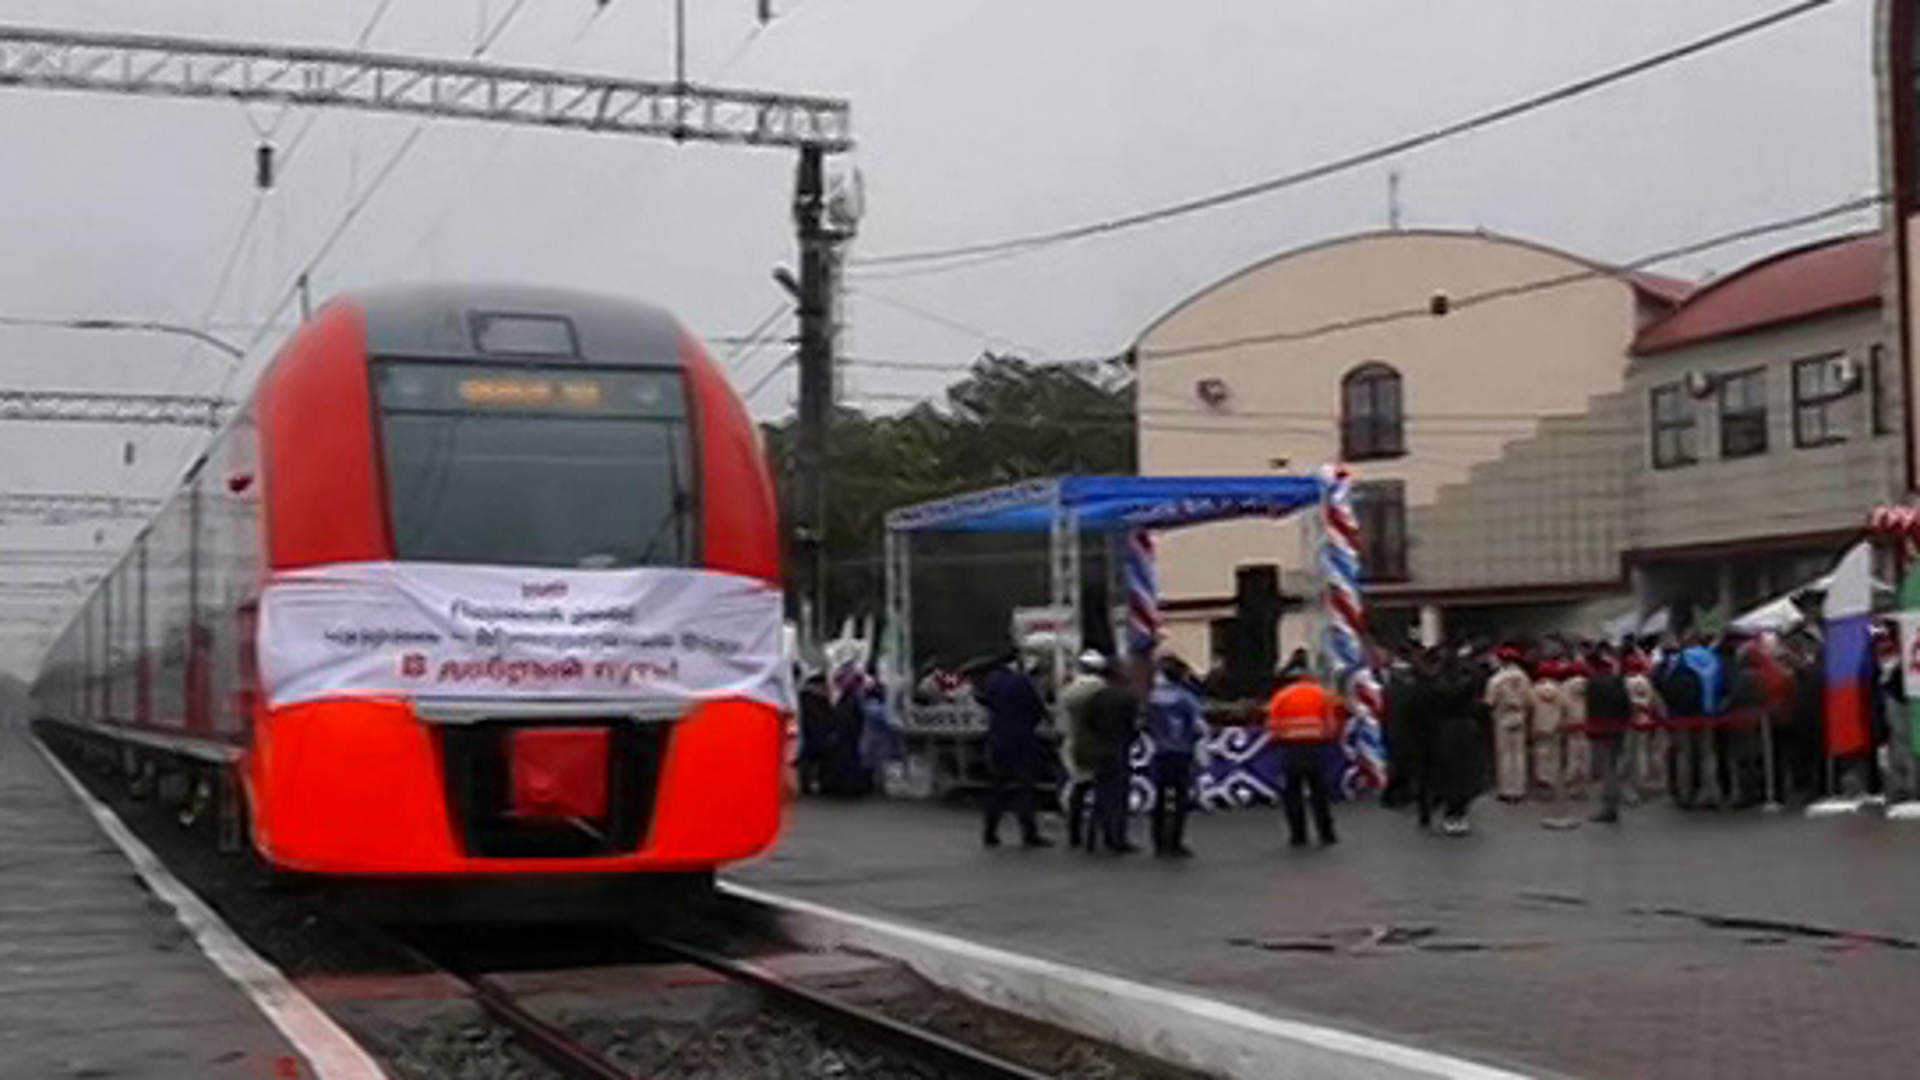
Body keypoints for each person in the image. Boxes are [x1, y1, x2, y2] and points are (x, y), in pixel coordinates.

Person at [978, 653, 1051, 848]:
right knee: (1025, 786)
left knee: (997, 787)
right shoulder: (1023, 682)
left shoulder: (992, 682)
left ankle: (990, 832)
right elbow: (1037, 709)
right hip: (1021, 740)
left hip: (997, 739)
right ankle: (1029, 833)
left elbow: (985, 702)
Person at [1266, 665, 1341, 847]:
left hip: (1290, 749)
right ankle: (1326, 833)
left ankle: (1298, 835)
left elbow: (1273, 727)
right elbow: (1331, 725)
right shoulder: (1321, 694)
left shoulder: (1280, 697)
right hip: (1315, 747)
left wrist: (1279, 741)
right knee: (1319, 792)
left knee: (1293, 793)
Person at [1146, 655, 1205, 857]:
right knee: (1180, 799)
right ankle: (1175, 841)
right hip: (1181, 752)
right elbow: (1198, 727)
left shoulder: (1153, 698)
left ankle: (1158, 841)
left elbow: (1145, 723)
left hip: (1160, 751)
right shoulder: (1187, 699)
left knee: (1160, 798)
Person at [1087, 656, 1145, 854]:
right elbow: (1134, 725)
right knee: (1118, 796)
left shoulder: (1098, 696)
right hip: (1119, 748)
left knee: (1101, 794)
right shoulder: (1128, 697)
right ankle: (1117, 837)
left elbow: (1090, 722)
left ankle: (1093, 836)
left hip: (1099, 748)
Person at [1058, 650, 1109, 850]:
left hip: (1072, 742)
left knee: (1078, 788)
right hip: (1097, 743)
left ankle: (1074, 833)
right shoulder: (1101, 689)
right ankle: (1095, 835)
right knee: (1100, 789)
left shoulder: (1069, 690)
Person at [1584, 643, 1633, 823]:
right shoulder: (1617, 680)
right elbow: (1626, 706)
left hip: (1599, 729)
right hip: (1618, 727)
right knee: (1614, 765)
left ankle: (1609, 807)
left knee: (1607, 770)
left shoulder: (1592, 683)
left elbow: (1589, 709)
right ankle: (1615, 803)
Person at [1484, 646, 1533, 802]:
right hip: (1519, 715)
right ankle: (1519, 790)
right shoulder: (1524, 677)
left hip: (1502, 716)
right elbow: (1530, 700)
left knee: (1504, 754)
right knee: (1519, 754)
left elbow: (1489, 701)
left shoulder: (1496, 679)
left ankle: (1507, 790)